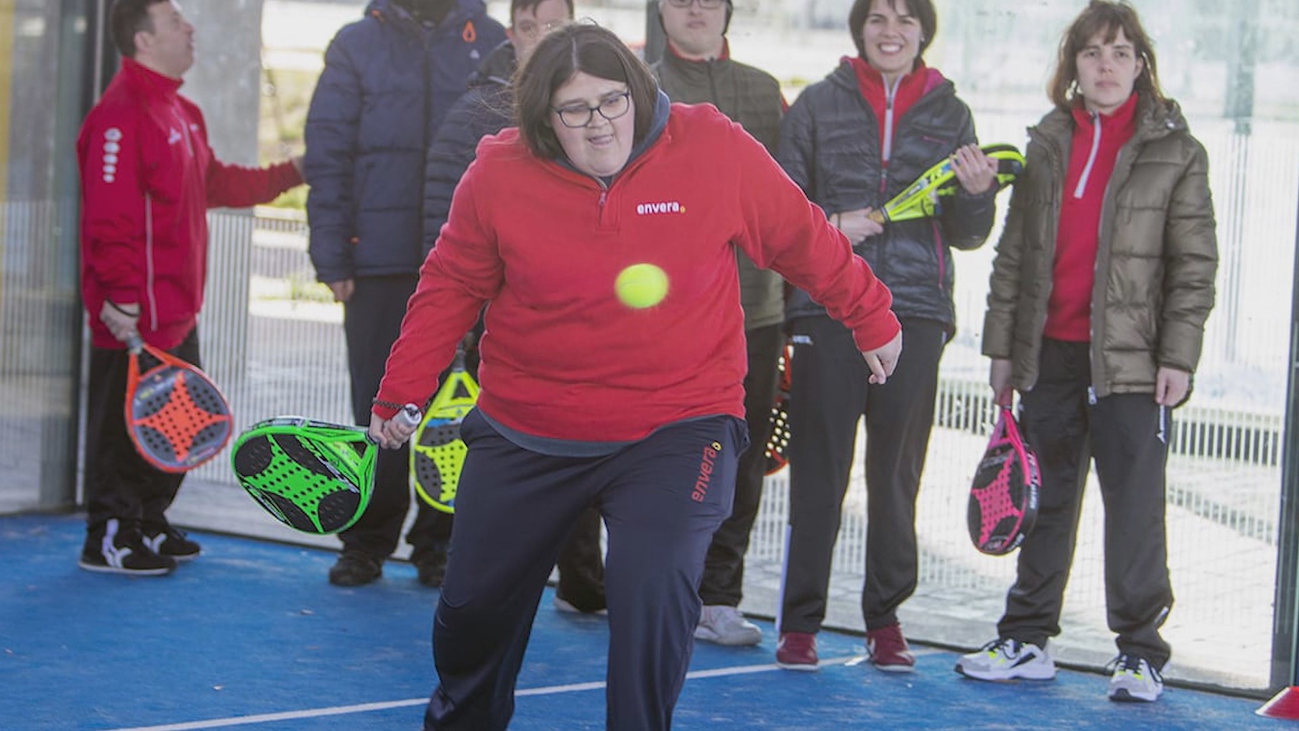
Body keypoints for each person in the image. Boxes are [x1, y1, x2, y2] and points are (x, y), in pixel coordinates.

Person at [367, 23, 902, 730]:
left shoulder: (711, 148)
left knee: (652, 592)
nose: (598, 125)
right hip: (527, 427)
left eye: (612, 101)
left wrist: (870, 313)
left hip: (678, 424)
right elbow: (450, 284)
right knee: (471, 613)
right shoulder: (497, 174)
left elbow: (799, 235)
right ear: (542, 119)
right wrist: (401, 386)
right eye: (574, 109)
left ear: (639, 92)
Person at [955, 0, 1217, 704]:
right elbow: (1013, 258)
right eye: (1092, 52)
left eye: (1120, 52)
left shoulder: (1177, 151)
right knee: (1045, 504)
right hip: (1048, 358)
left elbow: (1194, 265)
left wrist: (1178, 356)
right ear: (1071, 64)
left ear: (1141, 66)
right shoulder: (1044, 144)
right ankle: (1027, 639)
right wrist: (1002, 350)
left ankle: (1138, 652)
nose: (1106, 65)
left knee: (1133, 508)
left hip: (1132, 367)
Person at [773, 0, 998, 673]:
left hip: (915, 313)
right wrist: (834, 224)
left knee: (897, 474)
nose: (890, 29)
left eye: (904, 17)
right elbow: (782, 206)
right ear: (858, 30)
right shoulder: (814, 104)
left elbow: (965, 232)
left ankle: (885, 621)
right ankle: (798, 621)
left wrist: (979, 194)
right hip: (827, 308)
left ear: (923, 31)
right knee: (819, 469)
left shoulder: (949, 113)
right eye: (877, 17)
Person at [76, 0, 304, 576]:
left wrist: (292, 172)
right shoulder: (118, 116)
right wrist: (122, 300)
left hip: (178, 313)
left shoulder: (181, 112)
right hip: (132, 320)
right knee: (121, 435)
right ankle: (109, 535)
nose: (190, 27)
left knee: (177, 434)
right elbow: (110, 219)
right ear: (144, 40)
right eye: (176, 21)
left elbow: (217, 183)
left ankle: (149, 522)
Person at [303, 0, 506, 588]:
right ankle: (366, 540)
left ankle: (438, 543)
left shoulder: (489, 40)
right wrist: (334, 253)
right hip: (380, 261)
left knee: (456, 408)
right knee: (378, 401)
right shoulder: (355, 43)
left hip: (465, 263)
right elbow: (328, 151)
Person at [422, 0, 608, 615]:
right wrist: (458, 329)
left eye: (556, 26)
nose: (543, 38)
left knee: (583, 457)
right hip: (498, 341)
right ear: (512, 33)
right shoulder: (475, 112)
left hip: (585, 337)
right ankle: (469, 582)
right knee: (505, 482)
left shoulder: (602, 113)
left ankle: (582, 582)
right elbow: (443, 236)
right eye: (531, 27)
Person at [650, 0, 786, 647]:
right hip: (666, 321)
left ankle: (718, 597)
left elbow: (790, 204)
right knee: (661, 462)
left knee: (743, 461)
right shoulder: (636, 87)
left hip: (758, 314)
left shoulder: (763, 91)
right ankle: (654, 586)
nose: (695, 7)